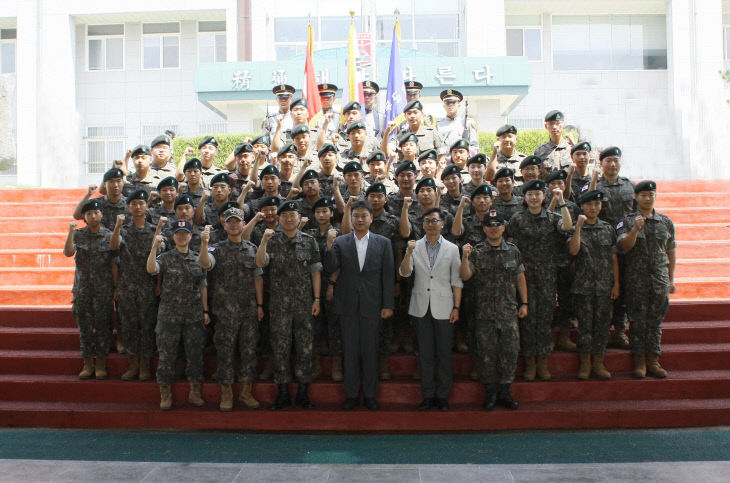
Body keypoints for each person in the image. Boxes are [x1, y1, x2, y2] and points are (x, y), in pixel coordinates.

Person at [325, 200, 395, 411]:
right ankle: (352, 395)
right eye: (356, 216)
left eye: (364, 215)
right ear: (351, 218)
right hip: (347, 304)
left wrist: (388, 304)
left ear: (371, 218)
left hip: (373, 305)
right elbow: (330, 267)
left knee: (371, 351)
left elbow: (388, 276)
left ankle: (371, 395)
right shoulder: (340, 242)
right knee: (350, 351)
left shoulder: (383, 243)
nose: (360, 219)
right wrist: (329, 245)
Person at [256, 201, 322, 410]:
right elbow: (259, 263)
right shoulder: (271, 240)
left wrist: (317, 299)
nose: (289, 219)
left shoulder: (309, 241)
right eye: (284, 216)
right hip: (279, 305)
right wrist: (264, 242)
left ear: (298, 217)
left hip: (304, 304)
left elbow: (315, 271)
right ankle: (283, 392)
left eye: (293, 215)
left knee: (305, 347)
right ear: (279, 219)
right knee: (280, 348)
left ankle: (303, 393)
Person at [460, 210, 527, 410]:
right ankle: (490, 393)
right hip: (485, 313)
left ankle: (505, 392)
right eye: (490, 225)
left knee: (509, 352)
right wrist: (464, 257)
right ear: (484, 228)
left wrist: (525, 303)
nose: (493, 228)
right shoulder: (477, 251)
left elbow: (520, 277)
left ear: (504, 228)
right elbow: (465, 276)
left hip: (508, 311)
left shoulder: (513, 250)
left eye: (497, 225)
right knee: (487, 354)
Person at [506, 179, 572, 381]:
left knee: (544, 321)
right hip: (524, 277)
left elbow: (568, 226)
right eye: (530, 194)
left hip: (546, 277)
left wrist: (561, 202)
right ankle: (529, 364)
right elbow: (510, 247)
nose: (534, 198)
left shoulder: (552, 217)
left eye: (538, 194)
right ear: (524, 198)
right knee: (526, 321)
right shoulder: (517, 219)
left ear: (544, 197)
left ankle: (542, 363)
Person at [200, 206, 265, 411]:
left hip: (248, 310)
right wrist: (203, 243)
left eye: (238, 221)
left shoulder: (252, 249)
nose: (234, 224)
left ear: (244, 224)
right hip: (225, 311)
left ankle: (246, 393)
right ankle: (226, 394)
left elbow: (258, 278)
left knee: (248, 352)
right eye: (230, 221)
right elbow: (205, 264)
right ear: (224, 224)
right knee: (225, 353)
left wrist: (260, 305)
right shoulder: (216, 248)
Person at [399, 207, 462, 411]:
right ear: (422, 224)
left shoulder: (452, 248)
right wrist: (408, 253)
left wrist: (456, 307)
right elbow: (405, 273)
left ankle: (443, 395)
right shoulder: (414, 246)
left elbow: (457, 280)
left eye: (435, 221)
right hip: (420, 307)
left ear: (442, 224)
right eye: (427, 221)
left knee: (444, 353)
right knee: (424, 354)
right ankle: (427, 395)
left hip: (444, 307)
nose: (431, 224)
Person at [146, 219, 210, 410]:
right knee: (166, 355)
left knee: (195, 355)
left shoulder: (198, 258)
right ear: (173, 236)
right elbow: (151, 269)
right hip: (169, 316)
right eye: (178, 233)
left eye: (185, 233)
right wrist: (153, 248)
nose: (182, 236)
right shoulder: (165, 258)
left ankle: (195, 391)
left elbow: (203, 286)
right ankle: (165, 393)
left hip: (193, 314)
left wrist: (206, 310)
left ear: (191, 236)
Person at [617, 180, 676, 379]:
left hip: (659, 279)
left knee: (655, 322)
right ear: (636, 197)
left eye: (651, 194)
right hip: (636, 279)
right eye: (643, 195)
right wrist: (635, 229)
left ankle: (653, 360)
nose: (647, 198)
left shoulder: (665, 222)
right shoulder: (627, 220)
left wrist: (671, 278)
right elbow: (624, 247)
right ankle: (639, 361)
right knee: (637, 321)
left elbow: (671, 251)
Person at [110, 190, 162, 381]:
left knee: (148, 326)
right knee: (129, 326)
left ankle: (145, 365)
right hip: (127, 286)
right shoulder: (122, 230)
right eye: (134, 204)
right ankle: (133, 364)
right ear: (129, 207)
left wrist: (159, 284)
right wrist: (117, 226)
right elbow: (114, 248)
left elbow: (159, 260)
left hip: (147, 286)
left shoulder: (154, 230)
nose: (138, 207)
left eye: (141, 203)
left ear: (146, 206)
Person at [568, 190, 619, 380]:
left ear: (601, 207)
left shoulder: (608, 228)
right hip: (583, 287)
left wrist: (617, 284)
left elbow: (614, 257)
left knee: (602, 326)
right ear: (582, 206)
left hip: (605, 286)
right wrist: (579, 227)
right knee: (585, 327)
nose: (593, 208)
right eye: (589, 204)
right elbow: (573, 250)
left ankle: (598, 362)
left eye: (596, 204)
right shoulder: (576, 227)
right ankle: (585, 364)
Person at [589, 146, 636, 350]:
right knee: (604, 289)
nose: (613, 164)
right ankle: (603, 331)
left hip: (627, 246)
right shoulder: (595, 187)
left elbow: (637, 212)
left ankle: (619, 330)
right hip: (603, 246)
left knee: (624, 288)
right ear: (601, 164)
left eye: (616, 160)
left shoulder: (630, 186)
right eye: (608, 161)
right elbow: (587, 206)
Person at [63, 199, 115, 380]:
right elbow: (68, 253)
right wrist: (70, 233)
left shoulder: (109, 236)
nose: (93, 216)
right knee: (84, 327)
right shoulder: (78, 235)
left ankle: (100, 363)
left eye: (96, 213)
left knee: (102, 327)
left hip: (103, 289)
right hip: (83, 288)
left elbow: (115, 262)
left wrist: (114, 288)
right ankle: (88, 363)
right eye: (89, 214)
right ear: (84, 217)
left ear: (101, 215)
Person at [436, 89, 478, 157]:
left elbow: (475, 147)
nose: (450, 105)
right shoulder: (438, 125)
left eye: (453, 102)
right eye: (448, 103)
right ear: (444, 106)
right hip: (445, 162)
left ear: (458, 105)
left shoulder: (467, 123)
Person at [533, 110, 573, 178]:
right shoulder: (539, 151)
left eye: (558, 123)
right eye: (551, 124)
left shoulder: (571, 149)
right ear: (546, 126)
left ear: (564, 125)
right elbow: (538, 176)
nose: (554, 127)